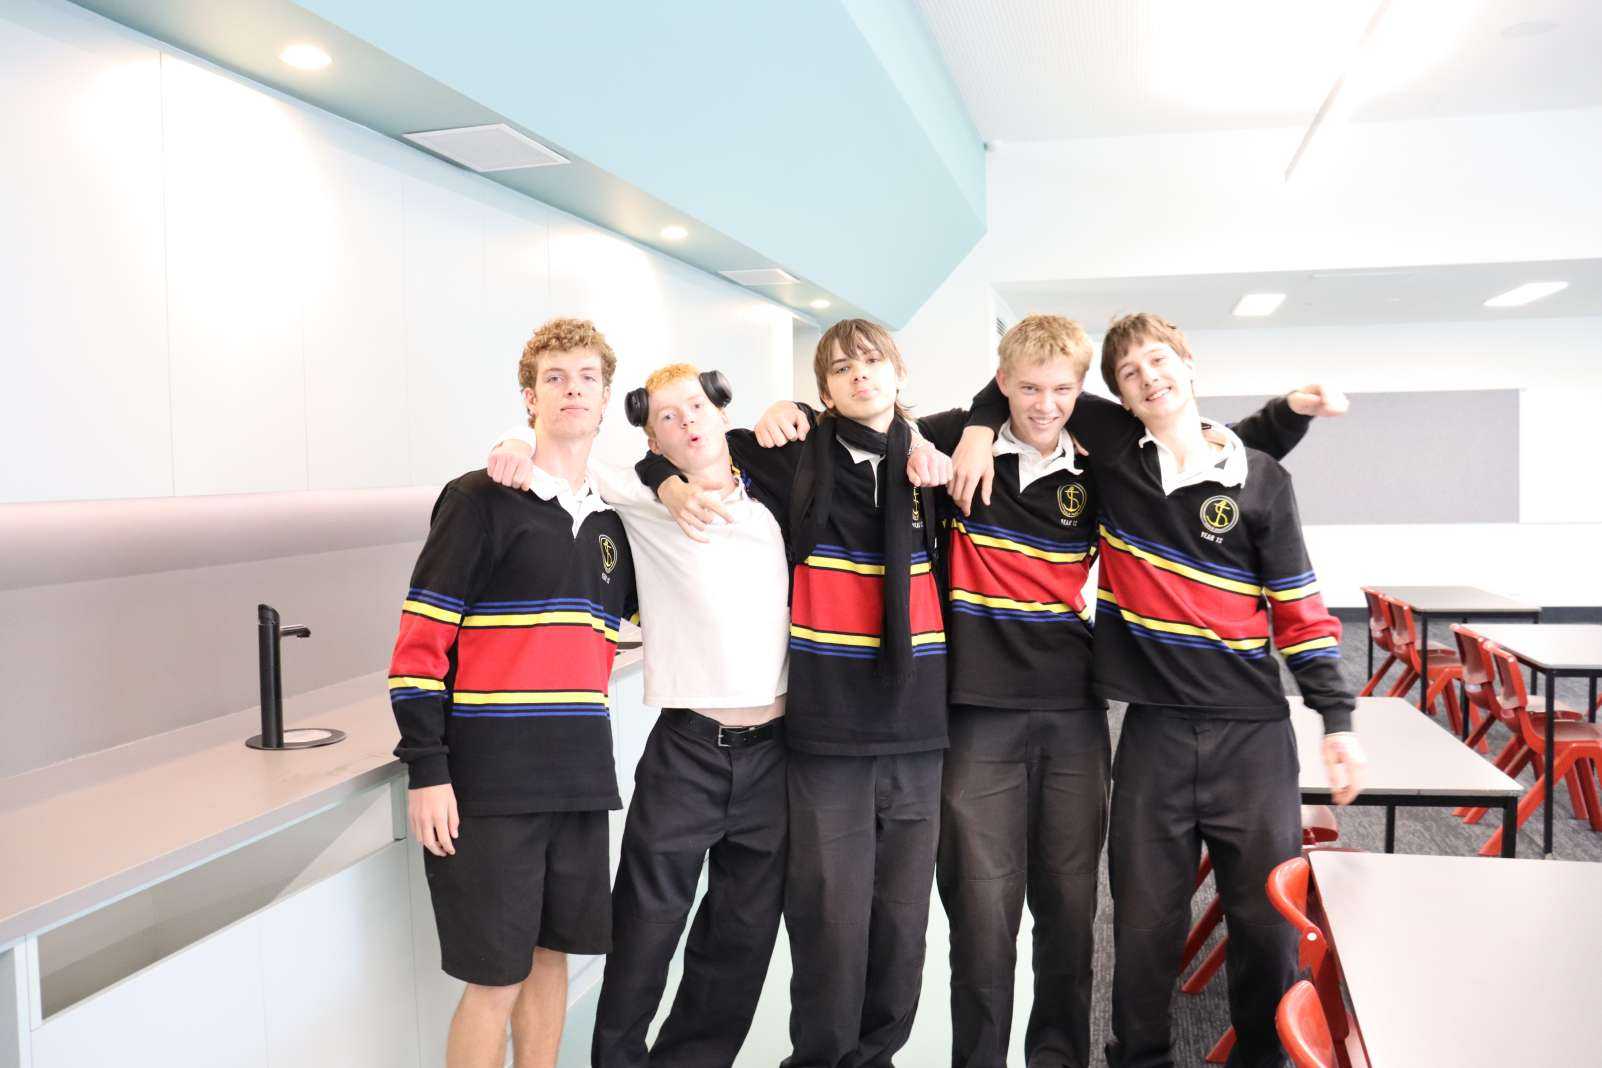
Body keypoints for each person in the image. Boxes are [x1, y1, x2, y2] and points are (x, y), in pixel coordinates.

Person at [755, 313, 1336, 1068]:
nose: (1045, 404)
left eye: (1062, 390)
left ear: (1081, 392)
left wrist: (1288, 414)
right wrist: (790, 413)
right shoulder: (945, 445)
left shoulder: (1105, 461)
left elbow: (1200, 445)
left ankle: (1057, 1056)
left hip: (1074, 714)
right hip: (973, 717)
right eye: (1027, 389)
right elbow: (860, 424)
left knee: (1068, 912)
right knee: (981, 915)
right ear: (1001, 384)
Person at [952, 312, 1364, 1068]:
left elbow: (1300, 610)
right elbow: (1025, 384)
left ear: (1188, 363)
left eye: (1159, 361)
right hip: (1153, 734)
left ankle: (1263, 1059)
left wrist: (1336, 718)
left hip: (1252, 736)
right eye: (1131, 374)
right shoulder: (1112, 456)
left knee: (1266, 924)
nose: (1150, 378)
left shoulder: (1262, 478)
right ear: (1119, 397)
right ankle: (1139, 1058)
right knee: (1142, 927)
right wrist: (979, 427)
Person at [636, 319, 955, 1068]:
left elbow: (1014, 409)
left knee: (902, 927)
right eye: (841, 369)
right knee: (828, 927)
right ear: (824, 391)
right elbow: (675, 448)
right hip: (825, 735)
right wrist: (667, 481)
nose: (859, 375)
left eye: (871, 361)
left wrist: (948, 443)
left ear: (899, 373)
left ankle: (876, 1057)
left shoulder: (935, 459)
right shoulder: (791, 454)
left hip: (917, 730)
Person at [485, 362, 791, 1068]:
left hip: (777, 755)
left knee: (740, 939)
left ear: (722, 412)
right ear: (653, 441)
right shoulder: (638, 495)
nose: (687, 423)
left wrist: (788, 409)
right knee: (645, 930)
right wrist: (513, 439)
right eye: (666, 419)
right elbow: (559, 450)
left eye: (696, 408)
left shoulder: (776, 495)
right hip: (689, 752)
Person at [388, 317, 637, 1068]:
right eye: (554, 378)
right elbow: (420, 644)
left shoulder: (613, 521)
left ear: (605, 398)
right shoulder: (478, 499)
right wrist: (427, 768)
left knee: (553, 959)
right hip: (490, 785)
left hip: (579, 778)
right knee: (495, 981)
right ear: (529, 397)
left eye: (587, 378)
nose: (572, 391)